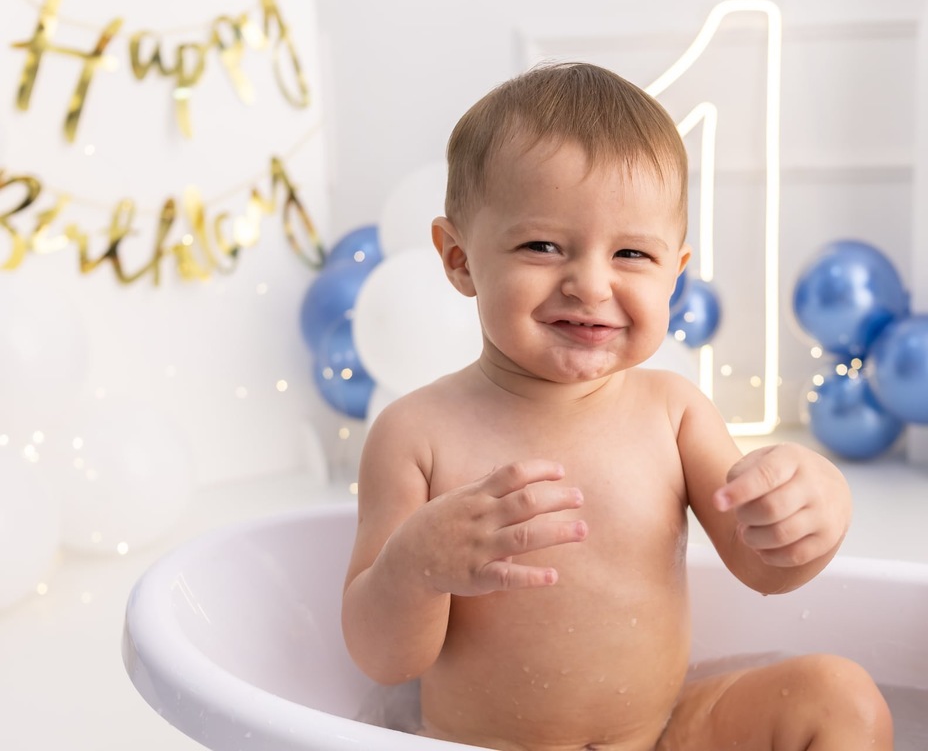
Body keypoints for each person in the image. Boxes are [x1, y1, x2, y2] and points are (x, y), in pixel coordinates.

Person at [342, 61, 893, 751]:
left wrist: (814, 511)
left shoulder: (673, 413)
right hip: (483, 745)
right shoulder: (416, 434)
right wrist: (415, 567)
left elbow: (763, 567)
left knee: (842, 700)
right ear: (458, 259)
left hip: (660, 735)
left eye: (631, 253)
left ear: (675, 275)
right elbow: (384, 660)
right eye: (542, 246)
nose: (591, 284)